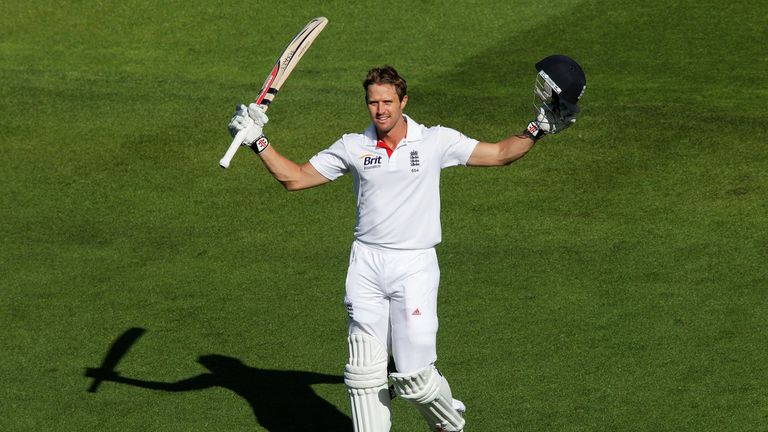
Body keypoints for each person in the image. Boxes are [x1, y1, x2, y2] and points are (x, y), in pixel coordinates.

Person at [227, 55, 586, 432]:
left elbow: (498, 154)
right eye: (373, 102)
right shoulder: (353, 146)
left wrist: (537, 129)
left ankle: (449, 424)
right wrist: (258, 142)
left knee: (414, 378)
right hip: (366, 264)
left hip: (414, 266)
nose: (380, 110)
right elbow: (296, 178)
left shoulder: (435, 141)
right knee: (364, 375)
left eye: (387, 102)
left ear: (403, 102)